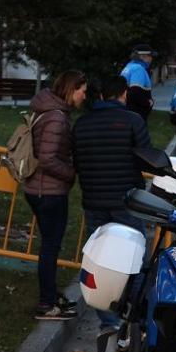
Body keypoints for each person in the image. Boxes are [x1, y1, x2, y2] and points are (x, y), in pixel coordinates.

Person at [71, 75, 152, 331]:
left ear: (101, 95)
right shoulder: (132, 121)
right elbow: (146, 157)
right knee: (135, 259)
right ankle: (134, 314)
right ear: (124, 94)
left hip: (93, 201)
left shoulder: (82, 124)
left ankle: (108, 320)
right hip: (126, 201)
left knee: (101, 261)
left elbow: (77, 160)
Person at [24, 70, 87, 320]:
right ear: (71, 90)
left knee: (50, 244)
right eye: (82, 90)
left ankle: (51, 295)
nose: (84, 96)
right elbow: (48, 158)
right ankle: (46, 303)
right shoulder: (57, 118)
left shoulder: (47, 110)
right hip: (48, 191)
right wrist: (70, 174)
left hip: (39, 189)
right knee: (50, 246)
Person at [120, 46, 155, 123]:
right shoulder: (138, 69)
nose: (151, 59)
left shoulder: (129, 66)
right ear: (143, 56)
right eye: (150, 56)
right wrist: (148, 103)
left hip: (126, 111)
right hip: (136, 114)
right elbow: (135, 92)